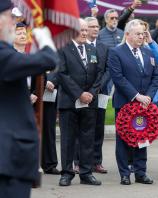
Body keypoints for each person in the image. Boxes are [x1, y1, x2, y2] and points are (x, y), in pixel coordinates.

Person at [0, 0, 57, 197]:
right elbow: (48, 60)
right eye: (10, 18)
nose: (14, 24)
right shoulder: (2, 54)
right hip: (7, 162)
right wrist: (45, 40)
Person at [108, 19, 158, 185]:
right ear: (128, 34)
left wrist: (149, 97)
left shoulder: (148, 52)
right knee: (124, 138)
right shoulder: (117, 52)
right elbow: (118, 78)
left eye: (143, 34)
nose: (141, 37)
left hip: (145, 104)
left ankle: (140, 172)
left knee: (142, 137)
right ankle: (124, 173)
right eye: (138, 34)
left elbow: (156, 77)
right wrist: (137, 96)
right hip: (125, 103)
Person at [57, 18, 103, 186]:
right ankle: (67, 173)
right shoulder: (62, 49)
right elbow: (62, 74)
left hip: (89, 102)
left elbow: (99, 73)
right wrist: (79, 94)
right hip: (69, 102)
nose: (84, 33)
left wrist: (90, 93)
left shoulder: (92, 49)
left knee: (87, 138)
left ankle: (86, 173)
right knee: (68, 139)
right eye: (81, 30)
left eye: (86, 30)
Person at [85, 16, 109, 174]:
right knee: (83, 127)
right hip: (84, 93)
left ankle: (96, 161)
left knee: (99, 127)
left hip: (101, 93)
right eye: (92, 26)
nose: (95, 29)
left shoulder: (104, 47)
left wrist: (98, 87)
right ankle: (79, 161)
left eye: (97, 26)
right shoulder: (79, 46)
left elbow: (108, 70)